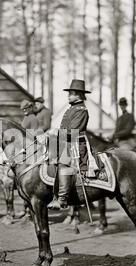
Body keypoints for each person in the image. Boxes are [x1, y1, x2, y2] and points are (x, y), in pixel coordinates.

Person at [47, 79, 90, 211]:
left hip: (76, 144)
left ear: (78, 95)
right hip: (66, 142)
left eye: (71, 93)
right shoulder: (72, 109)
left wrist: (56, 132)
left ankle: (62, 199)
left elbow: (73, 132)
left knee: (63, 162)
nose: (68, 96)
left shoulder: (81, 110)